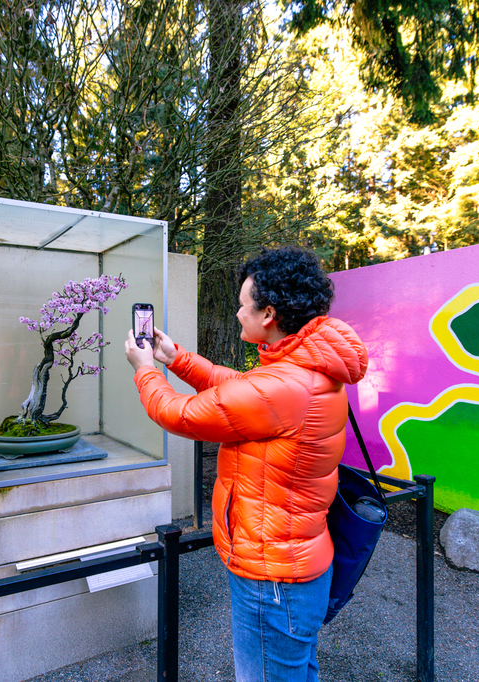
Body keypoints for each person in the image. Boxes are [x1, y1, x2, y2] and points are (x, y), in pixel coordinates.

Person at [124, 246, 368, 682]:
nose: (238, 314)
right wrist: (174, 357)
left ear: (269, 314)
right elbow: (238, 386)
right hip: (297, 563)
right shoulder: (306, 368)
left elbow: (181, 414)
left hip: (273, 578)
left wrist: (145, 369)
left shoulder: (285, 386)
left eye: (242, 305)